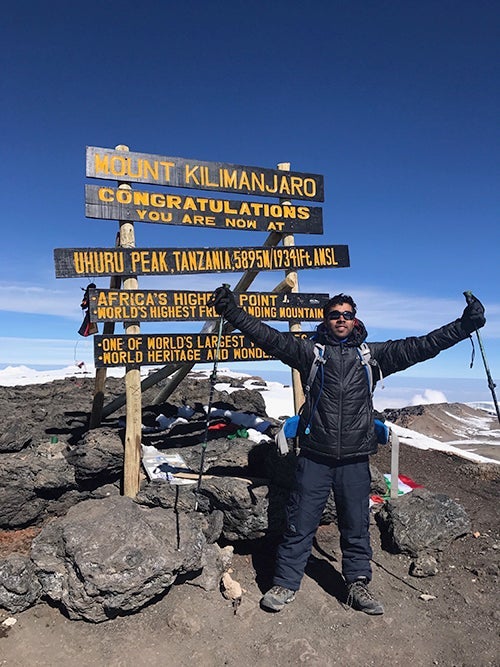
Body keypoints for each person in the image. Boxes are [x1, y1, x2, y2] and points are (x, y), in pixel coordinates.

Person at [210, 285, 486, 615]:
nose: (341, 319)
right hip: (314, 456)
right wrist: (233, 313)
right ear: (326, 321)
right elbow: (267, 337)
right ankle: (285, 583)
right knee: (299, 522)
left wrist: (465, 325)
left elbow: (423, 345)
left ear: (355, 321)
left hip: (355, 458)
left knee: (356, 525)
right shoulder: (308, 353)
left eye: (347, 315)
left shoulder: (373, 356)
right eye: (335, 315)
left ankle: (357, 585)